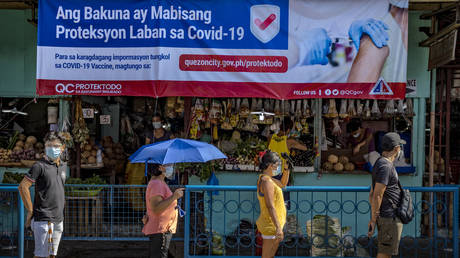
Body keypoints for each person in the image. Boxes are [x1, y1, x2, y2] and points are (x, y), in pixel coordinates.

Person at [18, 132, 66, 258]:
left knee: (51, 255)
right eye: (49, 146)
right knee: (40, 255)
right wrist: (30, 210)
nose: (52, 149)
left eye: (55, 146)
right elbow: (23, 186)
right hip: (44, 219)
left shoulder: (62, 166)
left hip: (58, 219)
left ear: (63, 148)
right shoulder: (39, 166)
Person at [368, 132, 406, 258]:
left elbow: (372, 193)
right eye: (400, 146)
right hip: (389, 217)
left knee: (386, 253)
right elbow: (377, 195)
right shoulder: (385, 166)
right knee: (385, 254)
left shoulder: (380, 162)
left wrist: (374, 218)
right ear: (396, 149)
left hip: (386, 217)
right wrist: (373, 220)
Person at [142, 163, 184, 258]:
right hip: (160, 229)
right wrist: (174, 196)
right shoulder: (157, 183)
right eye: (169, 165)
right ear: (160, 167)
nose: (172, 167)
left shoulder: (158, 182)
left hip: (162, 229)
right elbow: (156, 208)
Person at [256, 151, 289, 258]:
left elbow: (283, 184)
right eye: (277, 165)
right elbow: (270, 206)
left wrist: (286, 169)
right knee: (267, 256)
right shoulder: (267, 182)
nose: (278, 167)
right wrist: (278, 228)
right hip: (271, 226)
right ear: (270, 165)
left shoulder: (267, 179)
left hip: (272, 225)